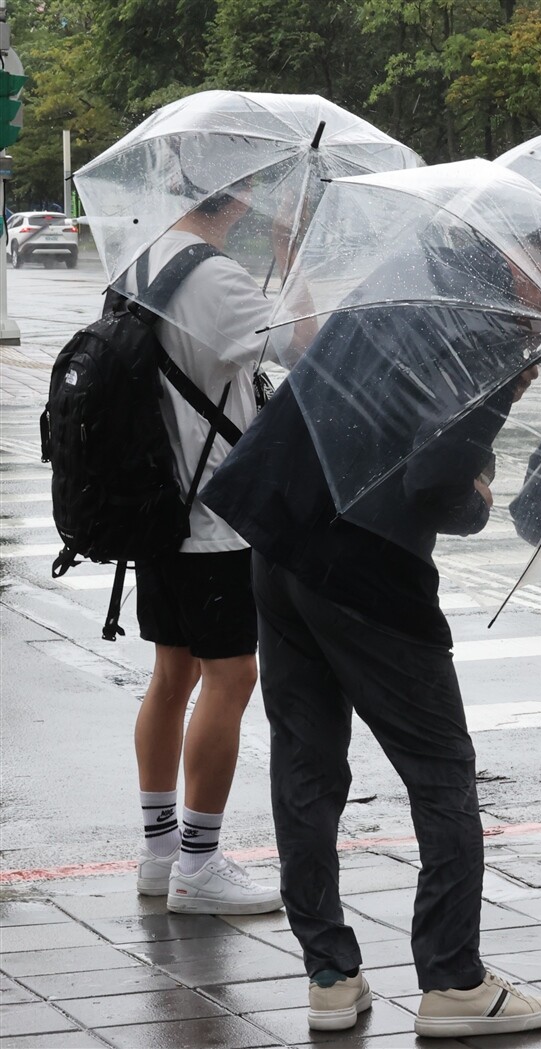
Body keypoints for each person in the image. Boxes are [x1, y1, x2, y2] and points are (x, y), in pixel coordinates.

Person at [202, 240, 541, 1038]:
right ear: (521, 267)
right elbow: (436, 484)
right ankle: (453, 980)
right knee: (441, 771)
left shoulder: (406, 279)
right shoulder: (489, 339)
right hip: (365, 567)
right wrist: (476, 493)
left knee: (306, 759)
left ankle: (330, 976)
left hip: (281, 532)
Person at [131, 183, 292, 916]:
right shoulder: (216, 277)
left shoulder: (138, 262)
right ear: (236, 198)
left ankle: (160, 853)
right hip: (213, 514)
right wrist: (293, 254)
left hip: (152, 504)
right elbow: (306, 346)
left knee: (172, 674)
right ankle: (199, 863)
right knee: (230, 678)